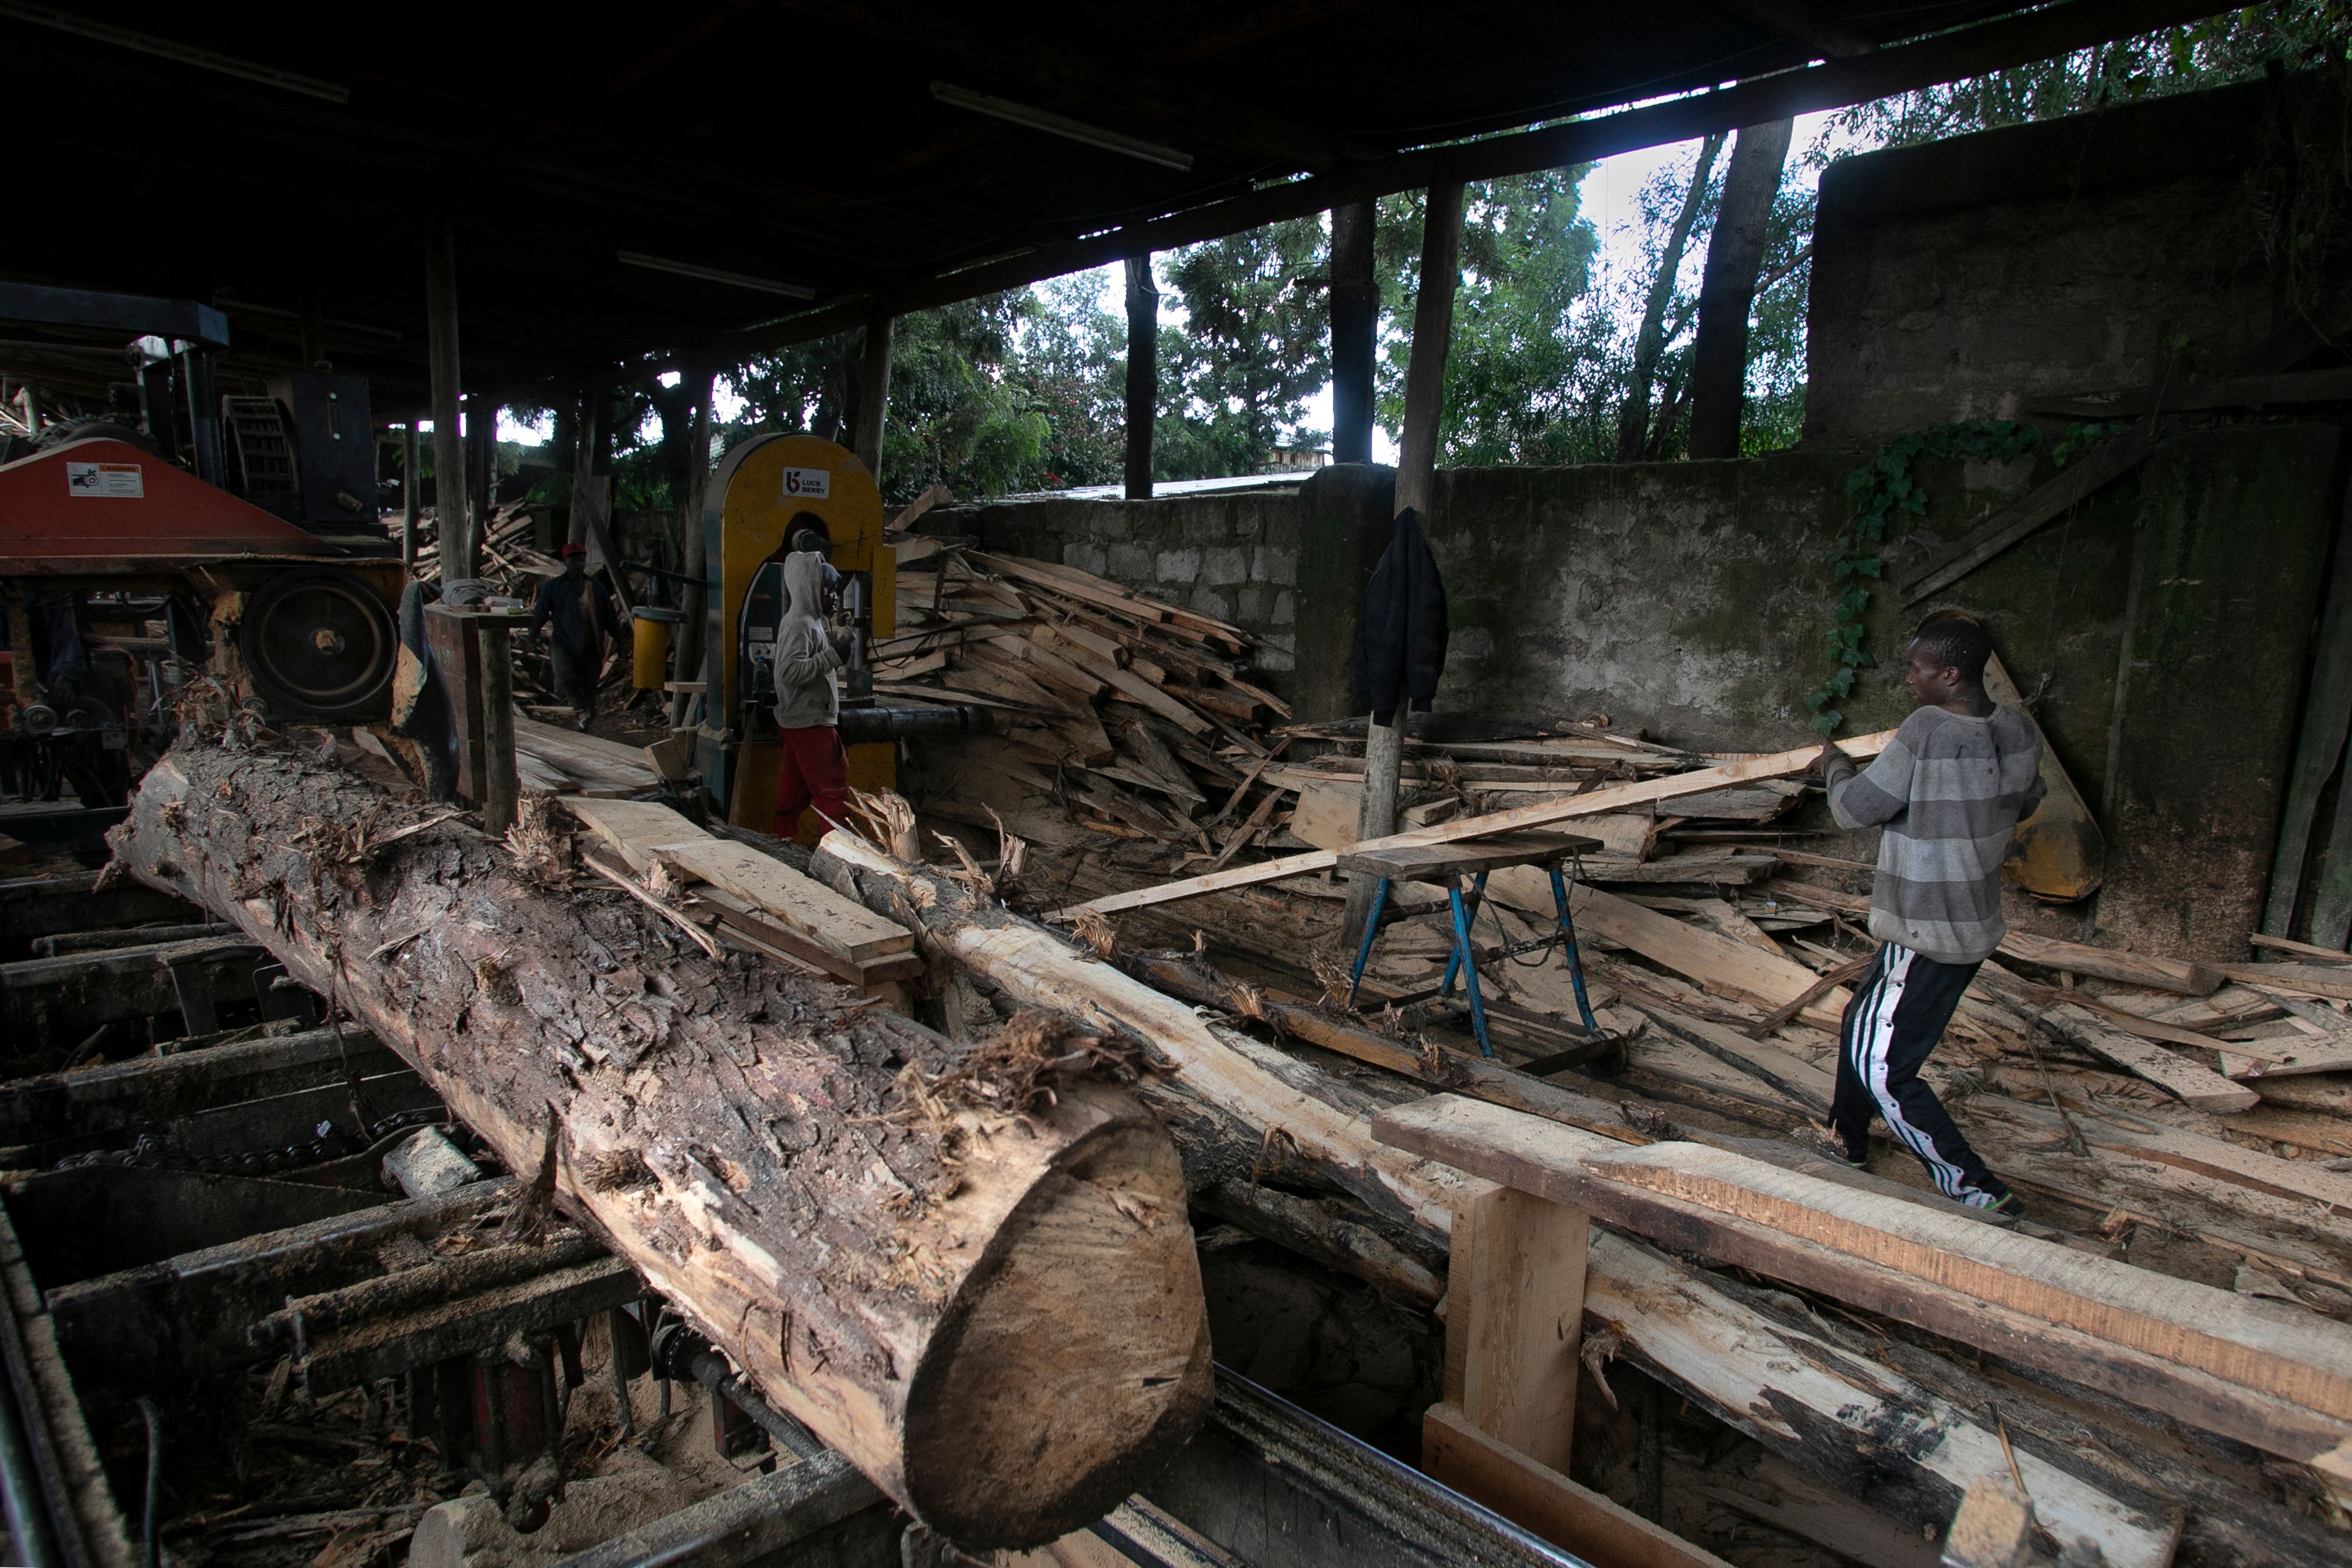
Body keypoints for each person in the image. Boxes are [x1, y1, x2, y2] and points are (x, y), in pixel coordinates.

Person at [1815, 617, 2044, 1217]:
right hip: (1970, 922)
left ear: (1949, 673)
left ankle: (1977, 1191)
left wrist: (1832, 766)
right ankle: (1845, 1142)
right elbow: (2026, 801)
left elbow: (1857, 810)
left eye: (1917, 668)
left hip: (1924, 927)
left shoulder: (1926, 730)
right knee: (1859, 1022)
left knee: (1884, 1068)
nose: (1908, 678)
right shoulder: (2018, 732)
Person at [770, 549, 853, 844]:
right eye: (828, 589)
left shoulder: (810, 621)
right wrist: (833, 656)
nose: (833, 596)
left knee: (794, 791)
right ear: (809, 586)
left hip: (804, 719)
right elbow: (789, 672)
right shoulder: (800, 623)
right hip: (809, 722)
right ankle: (841, 858)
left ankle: (782, 844)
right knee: (832, 792)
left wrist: (835, 650)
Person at [529, 544, 616, 731]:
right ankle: (580, 709)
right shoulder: (554, 587)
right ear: (565, 562)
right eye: (574, 560)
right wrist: (533, 635)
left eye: (582, 560)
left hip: (590, 643)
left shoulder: (595, 587)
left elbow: (610, 617)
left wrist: (622, 641)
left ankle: (585, 723)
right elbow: (541, 613)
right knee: (564, 673)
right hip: (564, 642)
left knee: (590, 683)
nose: (578, 564)